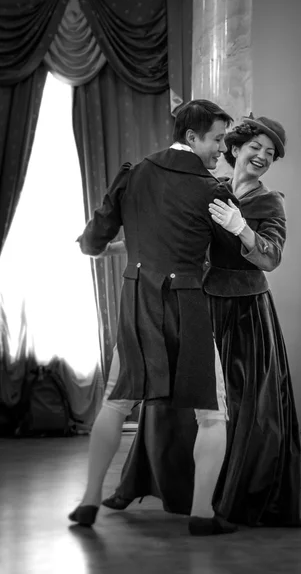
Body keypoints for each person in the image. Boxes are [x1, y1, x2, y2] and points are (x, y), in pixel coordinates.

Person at [102, 114, 301, 527]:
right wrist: (115, 246)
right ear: (234, 149)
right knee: (173, 400)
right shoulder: (206, 190)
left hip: (245, 314)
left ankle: (230, 500)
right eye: (256, 147)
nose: (262, 157)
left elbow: (271, 256)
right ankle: (151, 485)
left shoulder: (270, 202)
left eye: (270, 154)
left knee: (240, 407)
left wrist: (243, 231)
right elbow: (172, 234)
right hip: (198, 305)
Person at [68, 99, 246, 536]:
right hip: (188, 306)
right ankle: (202, 514)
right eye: (218, 139)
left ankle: (90, 499)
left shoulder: (134, 174)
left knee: (116, 400)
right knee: (212, 413)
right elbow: (230, 261)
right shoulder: (214, 190)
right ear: (191, 137)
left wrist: (111, 246)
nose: (221, 149)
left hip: (137, 301)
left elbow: (93, 242)